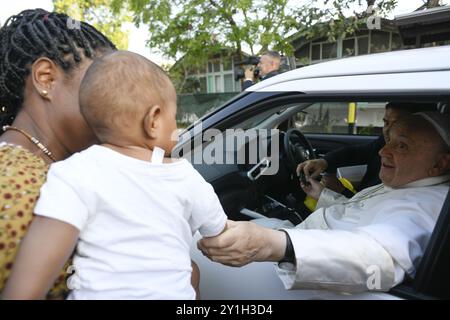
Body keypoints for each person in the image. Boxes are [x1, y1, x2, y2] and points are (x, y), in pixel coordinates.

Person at [2, 51, 228, 300]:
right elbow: (218, 231)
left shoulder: (72, 173)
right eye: (173, 117)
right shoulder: (184, 175)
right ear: (153, 120)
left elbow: (29, 282)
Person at [199, 112, 450, 292]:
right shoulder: (412, 183)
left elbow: (377, 256)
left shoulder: (426, 206)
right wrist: (322, 195)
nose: (383, 151)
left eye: (402, 146)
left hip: (299, 269)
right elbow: (356, 215)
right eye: (389, 141)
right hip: (295, 239)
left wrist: (273, 245)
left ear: (440, 163)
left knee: (194, 247)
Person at [0, 9, 116, 298]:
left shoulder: (53, 169)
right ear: (46, 78)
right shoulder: (26, 189)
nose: (121, 99)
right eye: (106, 84)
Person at [298, 102, 437, 197]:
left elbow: (363, 210)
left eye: (402, 147)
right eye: (386, 122)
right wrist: (324, 162)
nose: (383, 152)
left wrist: (339, 191)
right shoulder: (383, 142)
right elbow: (359, 152)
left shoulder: (411, 174)